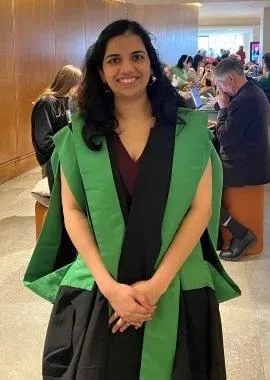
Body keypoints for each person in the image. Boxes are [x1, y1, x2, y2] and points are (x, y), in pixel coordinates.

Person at [24, 20, 240, 379]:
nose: (127, 68)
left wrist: (154, 287)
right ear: (100, 70)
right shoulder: (79, 135)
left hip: (176, 284)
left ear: (152, 66)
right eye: (114, 60)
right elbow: (73, 211)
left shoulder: (188, 133)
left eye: (137, 56)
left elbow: (200, 211)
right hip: (102, 283)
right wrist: (111, 289)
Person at [213, 58, 270, 261]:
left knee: (200, 191)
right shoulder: (252, 91)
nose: (220, 89)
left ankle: (240, 234)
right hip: (252, 161)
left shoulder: (243, 101)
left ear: (229, 78)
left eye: (219, 84)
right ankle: (223, 233)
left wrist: (222, 109)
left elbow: (225, 139)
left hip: (244, 168)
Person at [31, 64, 82, 190]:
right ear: (68, 82)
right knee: (55, 202)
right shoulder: (47, 103)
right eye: (78, 83)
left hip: (65, 159)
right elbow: (44, 140)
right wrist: (67, 152)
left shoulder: (66, 101)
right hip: (52, 161)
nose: (80, 87)